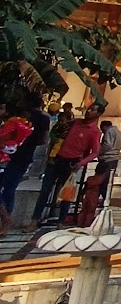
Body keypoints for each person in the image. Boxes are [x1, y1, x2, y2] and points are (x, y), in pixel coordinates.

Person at [33, 101, 102, 225]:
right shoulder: (75, 123)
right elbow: (59, 133)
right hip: (57, 158)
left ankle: (61, 221)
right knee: (45, 190)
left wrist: (81, 162)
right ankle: (34, 220)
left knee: (66, 194)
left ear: (98, 114)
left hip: (72, 162)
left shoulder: (94, 132)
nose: (88, 111)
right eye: (89, 108)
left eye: (92, 110)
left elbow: (95, 152)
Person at [0, 95, 47, 232]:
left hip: (11, 158)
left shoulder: (17, 123)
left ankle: (6, 220)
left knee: (8, 188)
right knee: (9, 188)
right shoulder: (41, 119)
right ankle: (6, 219)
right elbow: (42, 140)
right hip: (22, 157)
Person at [96, 118, 121, 202]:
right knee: (107, 181)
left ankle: (103, 198)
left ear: (104, 127)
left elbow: (107, 144)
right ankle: (105, 198)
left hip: (107, 158)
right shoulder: (119, 132)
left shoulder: (109, 132)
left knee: (102, 180)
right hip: (114, 158)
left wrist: (99, 152)